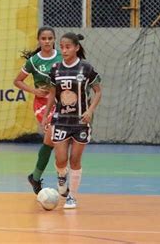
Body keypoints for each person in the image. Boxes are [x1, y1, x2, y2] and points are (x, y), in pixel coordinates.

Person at [42, 32, 102, 209]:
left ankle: (72, 197)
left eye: (68, 47)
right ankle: (61, 177)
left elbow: (98, 91)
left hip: (80, 121)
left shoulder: (86, 68)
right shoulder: (56, 68)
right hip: (61, 120)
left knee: (75, 160)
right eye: (62, 47)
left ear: (76, 48)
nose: (64, 50)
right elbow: (52, 94)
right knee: (61, 159)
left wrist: (90, 111)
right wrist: (46, 114)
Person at [14, 26, 62, 194]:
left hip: (61, 104)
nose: (47, 41)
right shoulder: (34, 61)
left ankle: (35, 177)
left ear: (54, 39)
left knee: (51, 142)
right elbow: (17, 81)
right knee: (57, 140)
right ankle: (61, 183)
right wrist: (34, 91)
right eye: (44, 38)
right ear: (39, 40)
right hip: (43, 105)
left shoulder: (62, 56)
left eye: (50, 38)